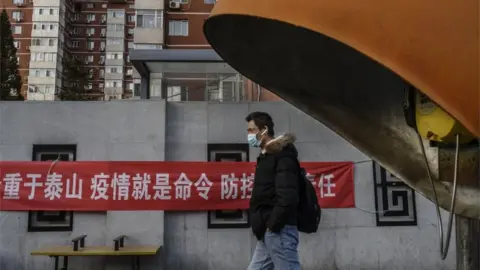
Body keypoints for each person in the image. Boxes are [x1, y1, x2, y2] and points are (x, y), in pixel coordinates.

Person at [246, 111, 301, 270]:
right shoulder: (266, 157)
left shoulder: (282, 157)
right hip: (268, 231)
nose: (249, 135)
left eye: (251, 130)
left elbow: (288, 196)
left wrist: (273, 225)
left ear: (264, 130)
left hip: (278, 230)